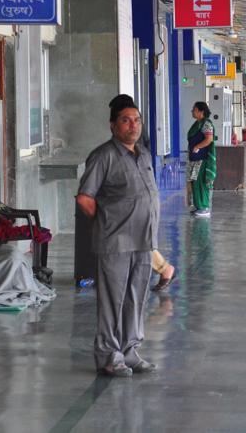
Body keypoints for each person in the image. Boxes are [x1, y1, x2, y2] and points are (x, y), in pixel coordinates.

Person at [76, 98, 159, 377]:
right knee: (113, 301)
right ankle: (109, 355)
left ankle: (129, 351)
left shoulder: (144, 155)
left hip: (143, 241)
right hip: (115, 243)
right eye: (126, 120)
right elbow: (85, 197)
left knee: (137, 298)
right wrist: (106, 223)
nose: (133, 125)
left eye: (136, 119)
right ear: (113, 125)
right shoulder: (104, 156)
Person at [108, 95, 175, 292]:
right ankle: (163, 269)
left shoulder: (132, 141)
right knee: (138, 239)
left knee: (139, 240)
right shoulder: (133, 134)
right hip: (140, 195)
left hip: (139, 197)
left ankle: (164, 269)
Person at [186, 101, 216, 218]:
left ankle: (204, 207)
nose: (192, 111)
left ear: (201, 111)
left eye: (194, 109)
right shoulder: (197, 123)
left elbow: (209, 139)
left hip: (202, 159)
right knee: (195, 182)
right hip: (195, 158)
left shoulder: (206, 124)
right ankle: (198, 206)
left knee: (201, 183)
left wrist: (197, 147)